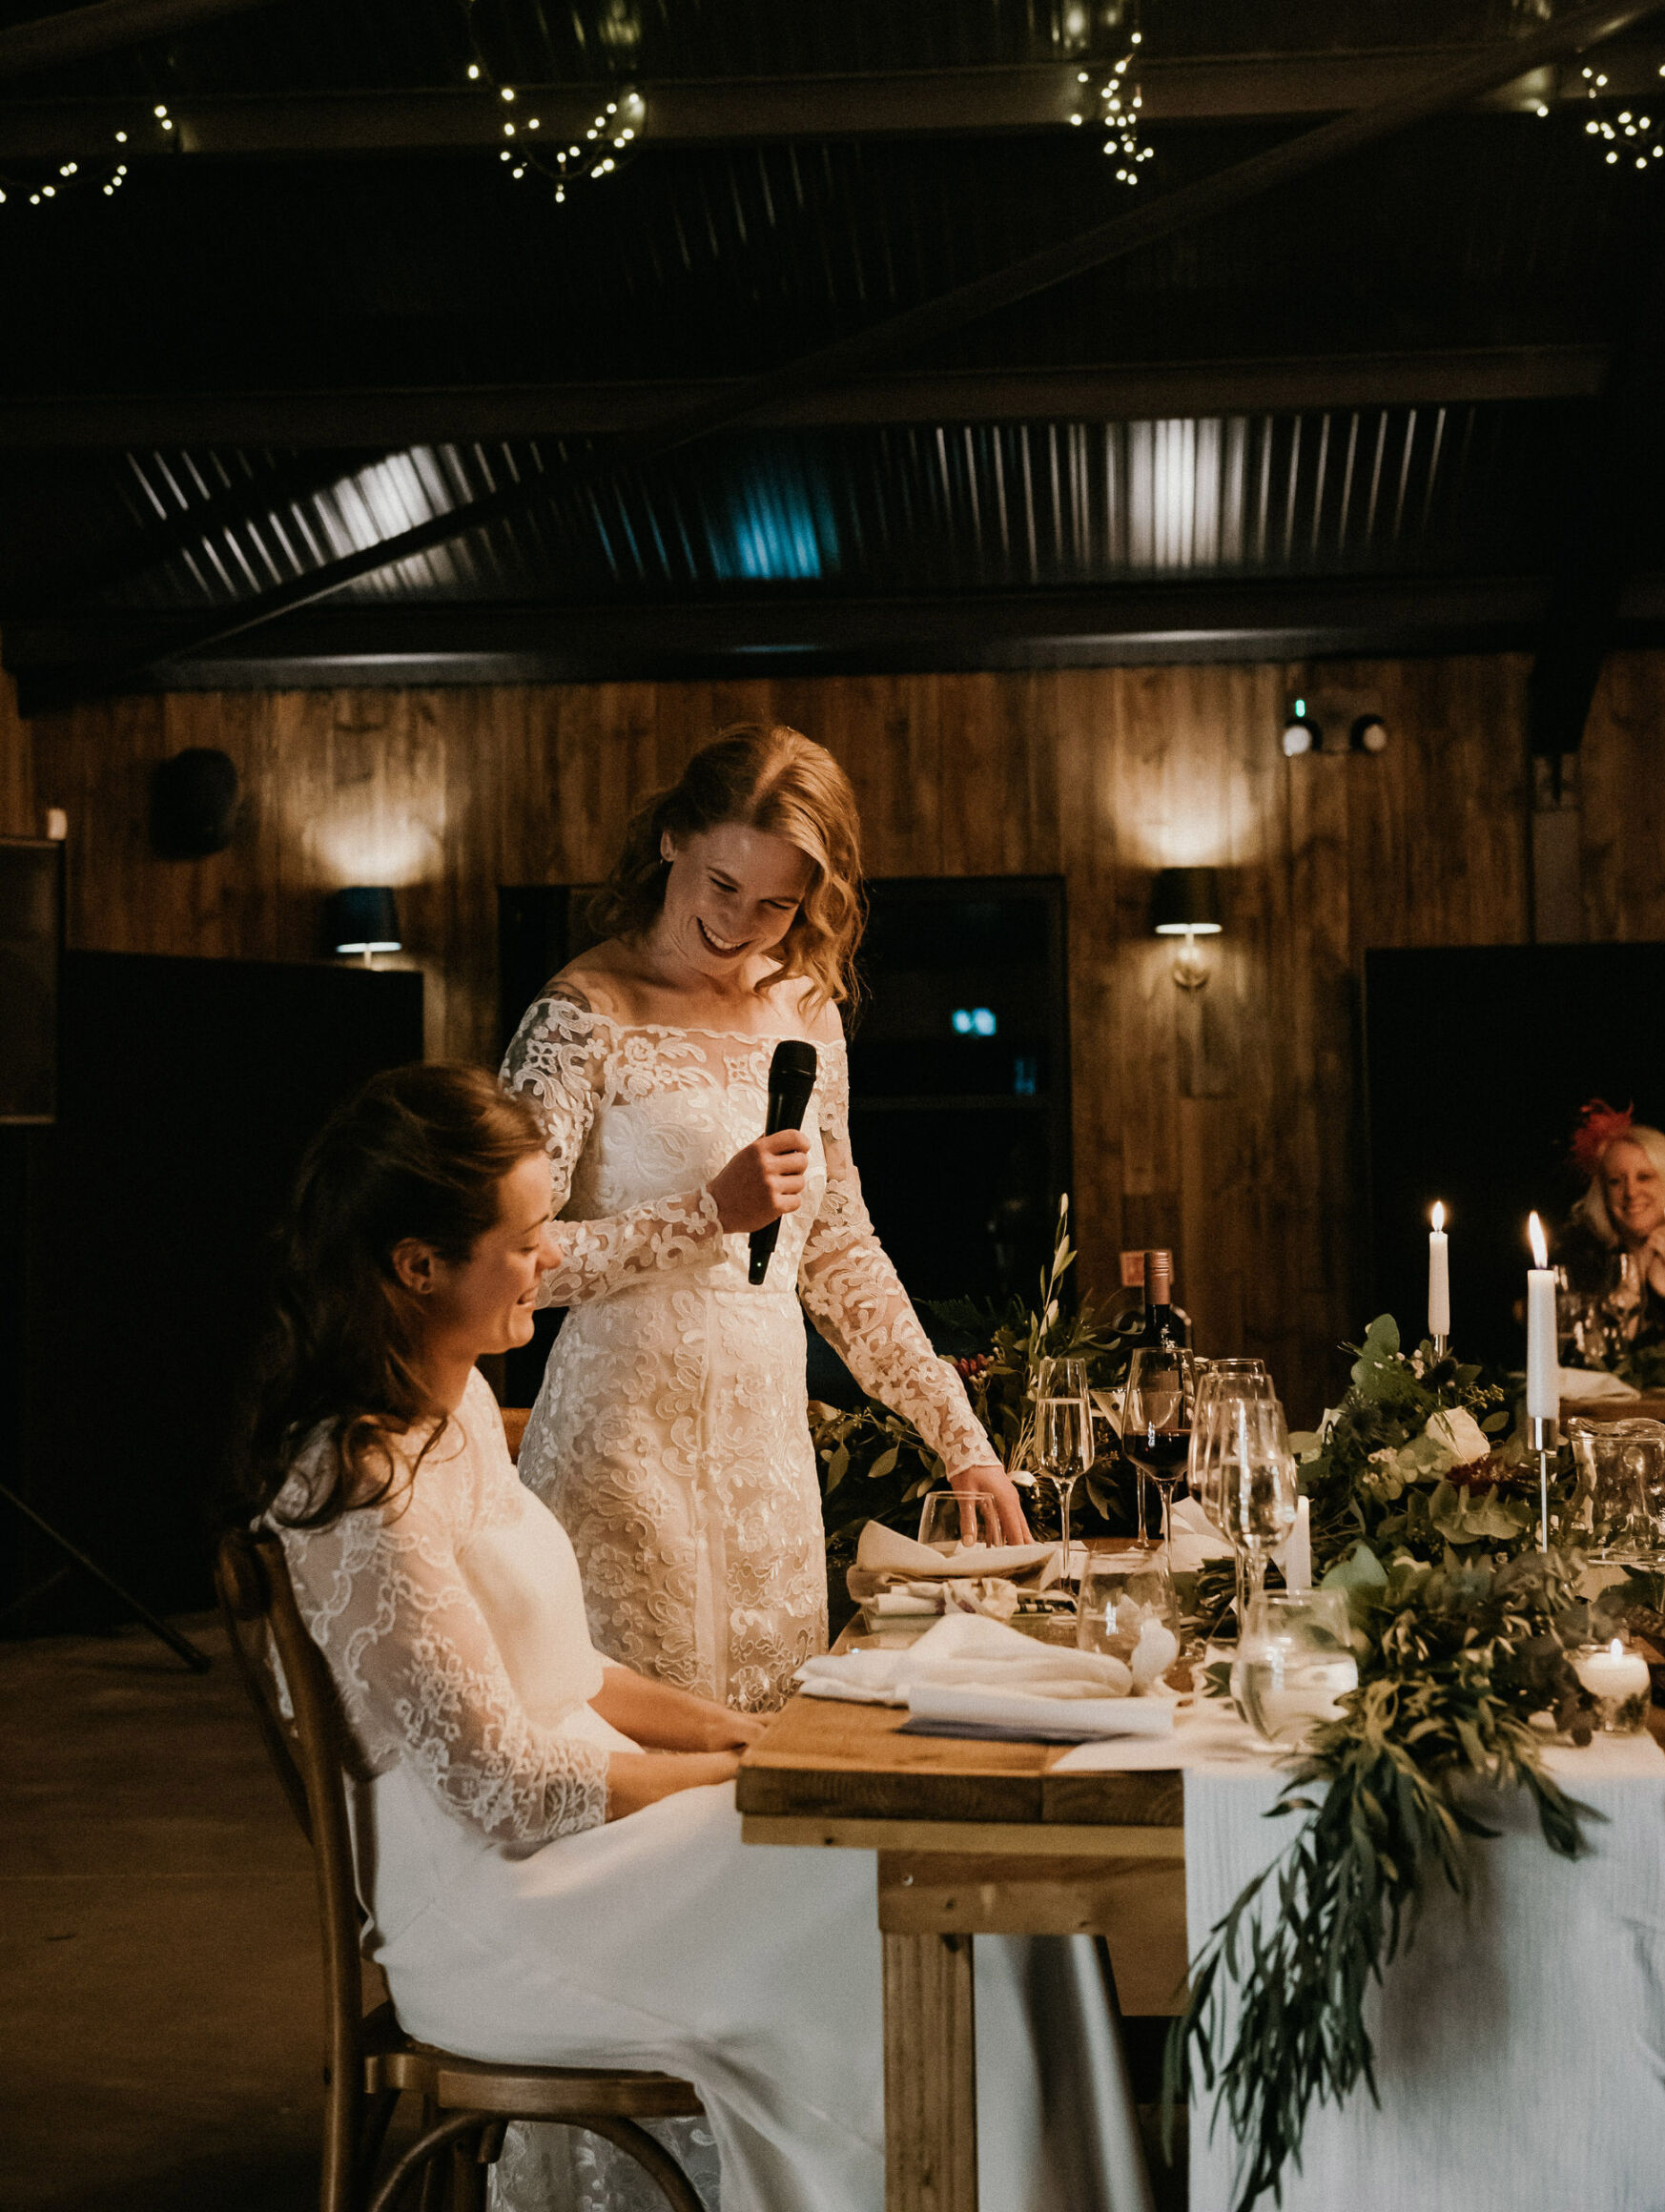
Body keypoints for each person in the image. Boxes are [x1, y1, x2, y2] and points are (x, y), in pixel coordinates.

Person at [239, 1064, 1151, 2212]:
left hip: (578, 1845)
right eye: (525, 1239)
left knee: (990, 1869)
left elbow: (576, 1675)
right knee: (913, 1870)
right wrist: (749, 1780)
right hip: (502, 1906)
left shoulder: (460, 1403)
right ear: (417, 1265)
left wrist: (764, 1735)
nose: (549, 1257)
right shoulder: (360, 1480)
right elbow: (507, 1786)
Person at [500, 723, 1025, 1713]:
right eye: (721, 884)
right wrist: (709, 1213)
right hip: (620, 1456)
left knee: (771, 1768)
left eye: (777, 903)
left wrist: (963, 1438)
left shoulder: (807, 1012)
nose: (739, 923)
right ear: (672, 841)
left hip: (767, 1464)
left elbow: (841, 1250)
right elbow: (511, 1257)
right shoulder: (580, 1010)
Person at [1565, 1099, 1665, 1347]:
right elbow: (1589, 1355)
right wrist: (1633, 1279)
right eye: (1615, 1181)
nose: (1631, 1192)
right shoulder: (1585, 1261)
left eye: (1644, 1177)